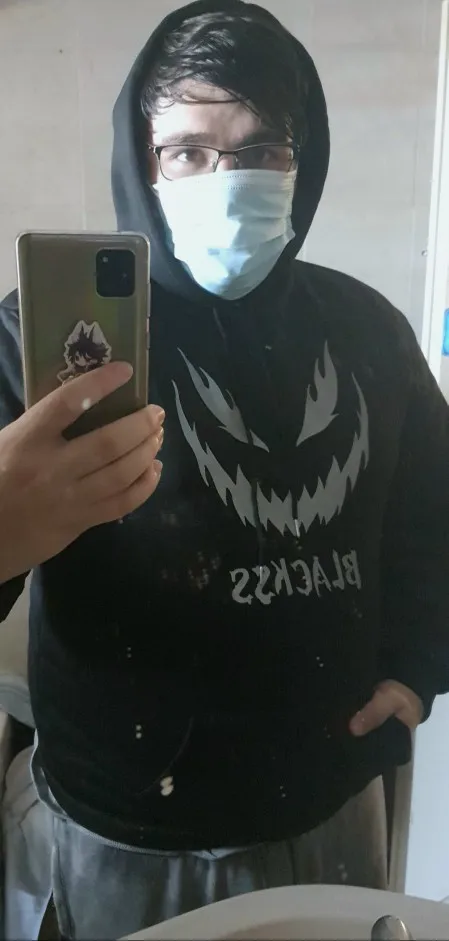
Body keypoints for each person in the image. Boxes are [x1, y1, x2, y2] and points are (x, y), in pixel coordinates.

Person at [0, 0, 448, 937]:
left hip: (333, 802)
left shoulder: (367, 327)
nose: (227, 179)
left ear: (303, 162)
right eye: (188, 152)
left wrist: (419, 669)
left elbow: (433, 515)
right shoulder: (39, 340)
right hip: (126, 831)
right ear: (140, 161)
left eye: (261, 150)